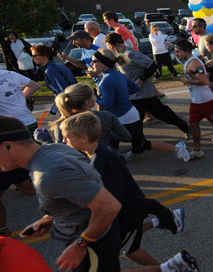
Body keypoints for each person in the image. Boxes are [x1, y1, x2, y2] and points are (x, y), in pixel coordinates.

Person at [59, 112, 195, 271]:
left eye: (67, 137)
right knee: (126, 249)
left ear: (83, 138)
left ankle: (175, 266)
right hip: (128, 211)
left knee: (126, 250)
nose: (64, 141)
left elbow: (112, 198)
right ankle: (170, 262)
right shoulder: (102, 150)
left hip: (127, 215)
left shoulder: (99, 161)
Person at [1, 116, 122, 272]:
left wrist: (81, 245)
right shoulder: (54, 149)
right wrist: (49, 218)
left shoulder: (48, 175)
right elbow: (79, 191)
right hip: (92, 235)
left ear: (8, 146)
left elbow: (109, 206)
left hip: (92, 243)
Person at [104, 33, 191, 140]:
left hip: (143, 95)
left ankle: (186, 128)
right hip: (135, 96)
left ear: (111, 45)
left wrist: (141, 80)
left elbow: (152, 65)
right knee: (140, 122)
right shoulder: (119, 56)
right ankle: (139, 145)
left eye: (107, 46)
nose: (107, 48)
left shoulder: (130, 54)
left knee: (162, 116)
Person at [174, 40, 213, 161]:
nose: (176, 54)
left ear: (186, 51)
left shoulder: (194, 63)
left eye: (178, 52)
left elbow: (204, 81)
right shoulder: (189, 62)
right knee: (193, 124)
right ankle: (197, 150)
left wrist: (188, 81)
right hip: (196, 100)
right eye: (175, 52)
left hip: (204, 100)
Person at [0, 69, 40, 237]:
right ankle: (25, 183)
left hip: (6, 131)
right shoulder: (9, 74)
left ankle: (3, 231)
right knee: (26, 163)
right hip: (26, 121)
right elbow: (35, 85)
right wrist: (19, 101)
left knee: (20, 163)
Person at [30, 44, 77, 114]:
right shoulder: (57, 66)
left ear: (44, 56)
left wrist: (54, 109)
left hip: (69, 105)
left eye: (34, 56)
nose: (32, 58)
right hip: (73, 101)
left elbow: (62, 91)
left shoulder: (50, 70)